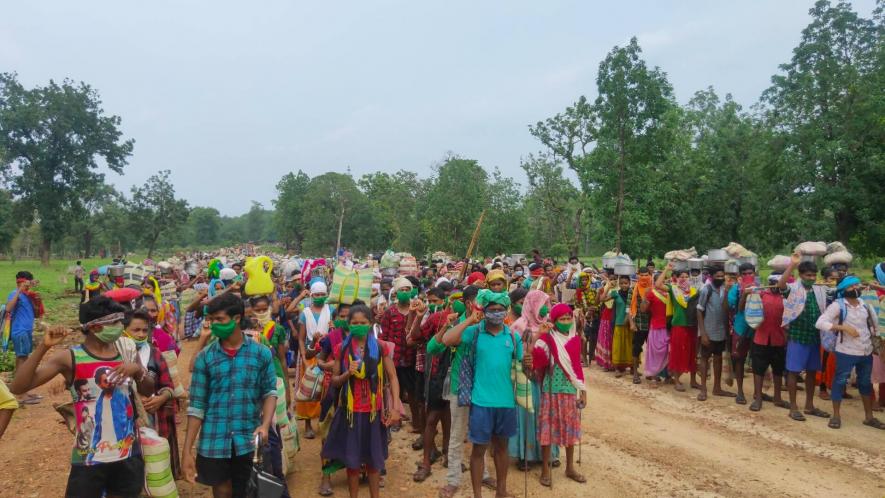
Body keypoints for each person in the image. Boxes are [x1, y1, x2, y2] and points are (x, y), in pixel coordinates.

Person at [10, 296, 147, 497]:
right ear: (94, 327)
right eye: (114, 322)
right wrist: (43, 347)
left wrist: (136, 369)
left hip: (127, 454)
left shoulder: (125, 350)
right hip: (89, 459)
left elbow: (148, 388)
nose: (120, 327)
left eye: (120, 321)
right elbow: (19, 386)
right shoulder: (70, 358)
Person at [182, 292, 278, 497]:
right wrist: (187, 449)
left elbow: (269, 392)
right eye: (211, 319)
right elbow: (196, 406)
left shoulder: (261, 353)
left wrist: (265, 424)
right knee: (222, 489)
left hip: (248, 437)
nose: (213, 324)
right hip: (214, 439)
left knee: (247, 489)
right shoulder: (205, 358)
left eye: (219, 319)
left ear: (236, 319)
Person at [442, 289, 524, 498]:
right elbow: (447, 339)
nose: (496, 313)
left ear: (506, 311)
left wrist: (530, 364)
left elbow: (524, 368)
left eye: (500, 310)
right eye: (492, 309)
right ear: (484, 311)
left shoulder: (513, 337)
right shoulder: (475, 332)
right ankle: (477, 494)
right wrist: (470, 318)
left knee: (502, 449)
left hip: (506, 402)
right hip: (480, 402)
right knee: (479, 450)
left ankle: (501, 491)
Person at [321, 304, 401, 498]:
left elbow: (392, 378)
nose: (358, 326)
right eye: (354, 323)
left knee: (374, 462)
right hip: (351, 412)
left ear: (370, 323)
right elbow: (335, 380)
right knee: (353, 462)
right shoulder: (342, 349)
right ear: (348, 324)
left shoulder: (381, 347)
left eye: (363, 323)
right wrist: (349, 372)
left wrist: (395, 406)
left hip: (374, 411)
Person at [429, 286, 495, 498]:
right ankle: (453, 480)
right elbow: (434, 347)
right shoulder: (458, 323)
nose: (482, 306)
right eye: (478, 301)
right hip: (460, 385)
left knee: (482, 433)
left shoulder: (490, 325)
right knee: (457, 435)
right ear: (468, 303)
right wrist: (454, 324)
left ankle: (483, 473)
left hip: (483, 387)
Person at [815, 276, 884, 430]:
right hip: (845, 351)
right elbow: (820, 322)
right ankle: (836, 416)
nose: (856, 288)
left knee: (865, 383)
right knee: (839, 381)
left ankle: (869, 417)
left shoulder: (865, 305)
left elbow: (875, 326)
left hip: (865, 350)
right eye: (852, 286)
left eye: (857, 285)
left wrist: (876, 341)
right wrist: (843, 328)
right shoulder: (838, 305)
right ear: (843, 290)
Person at [122, 308, 181, 477]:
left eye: (144, 330)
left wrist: (161, 398)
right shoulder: (115, 354)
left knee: (155, 460)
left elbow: (169, 386)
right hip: (126, 419)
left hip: (154, 417)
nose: (141, 334)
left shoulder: (154, 354)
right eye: (135, 330)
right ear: (124, 330)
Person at [533, 303, 587, 487]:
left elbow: (577, 368)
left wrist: (583, 390)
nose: (565, 321)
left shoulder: (575, 339)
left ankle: (570, 467)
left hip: (570, 391)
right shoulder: (548, 338)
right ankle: (545, 470)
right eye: (561, 319)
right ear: (554, 321)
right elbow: (537, 359)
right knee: (547, 430)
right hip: (551, 390)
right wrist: (539, 335)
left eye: (568, 318)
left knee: (570, 430)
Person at [508, 289, 558, 471]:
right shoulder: (519, 326)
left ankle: (548, 454)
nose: (545, 308)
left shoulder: (549, 325)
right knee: (528, 416)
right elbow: (516, 353)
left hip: (545, 379)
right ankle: (526, 455)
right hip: (526, 379)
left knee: (545, 417)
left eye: (547, 304)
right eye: (542, 305)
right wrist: (537, 337)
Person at [777, 252, 830, 422]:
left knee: (812, 372)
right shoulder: (793, 289)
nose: (812, 278)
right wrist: (792, 264)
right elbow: (781, 284)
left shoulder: (819, 289)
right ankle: (793, 407)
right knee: (793, 372)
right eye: (808, 275)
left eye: (814, 275)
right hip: (797, 337)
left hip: (815, 337)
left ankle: (809, 405)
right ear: (800, 275)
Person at [411, 288, 453, 482]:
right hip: (436, 372)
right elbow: (415, 337)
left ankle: (447, 454)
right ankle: (426, 462)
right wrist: (418, 317)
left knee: (449, 415)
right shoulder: (437, 317)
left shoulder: (469, 321)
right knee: (432, 416)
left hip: (455, 374)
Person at [379, 277, 420, 434]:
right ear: (396, 292)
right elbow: (384, 336)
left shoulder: (416, 310)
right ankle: (395, 420)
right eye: (402, 290)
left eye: (407, 290)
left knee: (413, 392)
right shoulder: (390, 312)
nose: (405, 292)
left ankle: (416, 422)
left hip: (411, 356)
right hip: (393, 358)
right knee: (394, 389)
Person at [745, 275, 789, 411]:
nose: (776, 285)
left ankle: (777, 398)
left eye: (779, 283)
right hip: (761, 339)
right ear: (769, 283)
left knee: (778, 370)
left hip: (779, 339)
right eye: (773, 283)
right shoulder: (760, 294)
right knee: (758, 370)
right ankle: (758, 398)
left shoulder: (786, 298)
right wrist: (748, 292)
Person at [297, 280, 334, 439]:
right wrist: (304, 358)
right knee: (308, 390)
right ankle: (307, 424)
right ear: (311, 295)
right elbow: (301, 338)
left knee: (325, 390)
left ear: (326, 295)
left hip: (327, 352)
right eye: (316, 294)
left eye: (322, 294)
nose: (319, 297)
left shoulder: (331, 310)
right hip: (309, 353)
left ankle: (324, 421)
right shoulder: (305, 313)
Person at [6, 271, 45, 405]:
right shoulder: (14, 294)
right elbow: (8, 308)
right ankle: (20, 394)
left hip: (27, 331)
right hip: (19, 331)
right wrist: (19, 291)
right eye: (25, 283)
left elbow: (34, 315)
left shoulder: (29, 296)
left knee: (24, 360)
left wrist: (37, 302)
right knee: (21, 360)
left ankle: (23, 391)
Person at [696, 267, 734, 401]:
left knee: (718, 358)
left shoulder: (725, 290)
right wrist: (703, 333)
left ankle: (717, 387)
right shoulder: (707, 289)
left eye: (722, 276)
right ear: (711, 276)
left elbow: (726, 309)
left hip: (721, 331)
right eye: (718, 276)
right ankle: (703, 389)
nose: (720, 278)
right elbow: (699, 311)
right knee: (705, 358)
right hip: (709, 330)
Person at [660, 264, 699, 392]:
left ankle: (693, 381)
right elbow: (658, 285)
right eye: (681, 276)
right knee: (678, 353)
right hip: (678, 325)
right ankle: (676, 380)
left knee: (692, 352)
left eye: (686, 276)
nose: (684, 278)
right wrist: (666, 269)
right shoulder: (673, 289)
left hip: (692, 325)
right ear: (676, 278)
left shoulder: (694, 290)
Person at [727, 263, 757, 405]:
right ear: (740, 275)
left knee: (757, 360)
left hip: (757, 328)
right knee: (739, 359)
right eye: (744, 274)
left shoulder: (760, 288)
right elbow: (737, 308)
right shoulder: (736, 289)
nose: (747, 276)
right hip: (740, 327)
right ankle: (740, 391)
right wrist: (744, 294)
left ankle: (758, 392)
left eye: (750, 273)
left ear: (754, 274)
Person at [600, 275, 633, 377]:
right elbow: (602, 299)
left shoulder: (633, 293)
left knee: (630, 345)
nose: (624, 285)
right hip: (619, 323)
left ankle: (632, 367)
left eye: (626, 283)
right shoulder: (615, 293)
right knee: (618, 347)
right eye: (622, 283)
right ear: (619, 284)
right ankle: (617, 368)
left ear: (629, 283)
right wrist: (608, 287)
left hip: (630, 323)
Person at [629, 268, 653, 384]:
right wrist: (632, 323)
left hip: (652, 324)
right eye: (642, 275)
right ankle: (635, 373)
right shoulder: (634, 289)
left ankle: (651, 373)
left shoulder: (654, 288)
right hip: (638, 323)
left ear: (650, 275)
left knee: (652, 349)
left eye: (646, 275)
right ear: (638, 276)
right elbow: (628, 308)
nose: (644, 277)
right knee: (636, 348)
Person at [594, 275, 615, 372]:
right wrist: (606, 289)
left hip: (616, 316)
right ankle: (606, 362)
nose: (613, 281)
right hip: (607, 316)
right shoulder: (603, 289)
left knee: (614, 340)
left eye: (615, 279)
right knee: (606, 339)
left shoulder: (620, 290)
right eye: (611, 279)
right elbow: (598, 301)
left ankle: (615, 362)